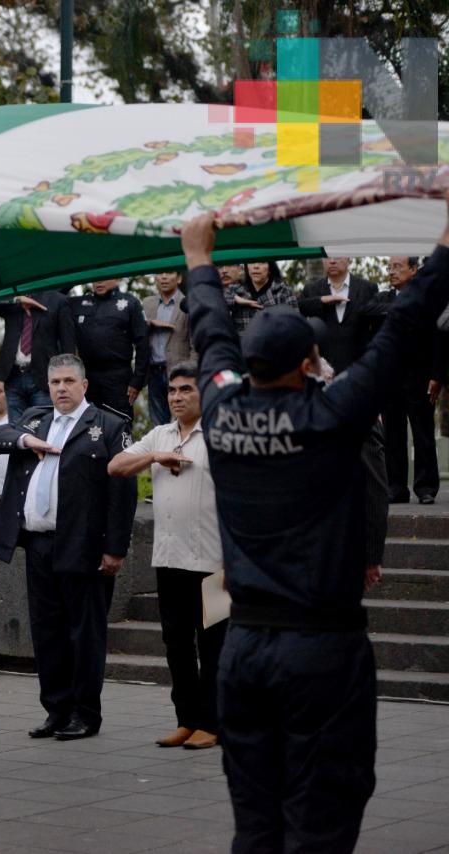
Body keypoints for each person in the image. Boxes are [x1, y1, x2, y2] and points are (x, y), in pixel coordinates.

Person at [178, 201, 449, 854]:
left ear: (249, 367)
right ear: (308, 364)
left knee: (257, 822)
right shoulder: (332, 415)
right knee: (320, 821)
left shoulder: (218, 407)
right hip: (321, 652)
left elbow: (212, 332)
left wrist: (198, 256)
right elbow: (403, 330)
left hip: (243, 652)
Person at [0, 354, 136, 742]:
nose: (61, 389)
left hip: (84, 547)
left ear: (85, 385)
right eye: (55, 383)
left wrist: (115, 548)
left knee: (84, 634)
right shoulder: (35, 419)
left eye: (68, 381)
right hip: (38, 544)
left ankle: (85, 713)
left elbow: (122, 493)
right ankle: (57, 709)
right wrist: (24, 439)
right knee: (46, 631)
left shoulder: (109, 425)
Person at [108, 361, 224, 750]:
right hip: (170, 560)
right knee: (176, 644)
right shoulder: (159, 435)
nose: (176, 397)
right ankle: (186, 720)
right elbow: (116, 465)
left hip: (216, 563)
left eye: (185, 390)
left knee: (214, 647)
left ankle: (213, 722)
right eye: (172, 390)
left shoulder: (221, 436)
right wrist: (156, 457)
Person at [371, 256, 445, 504]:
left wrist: (438, 375)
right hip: (390, 378)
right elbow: (363, 312)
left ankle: (425, 488)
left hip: (421, 377)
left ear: (413, 270)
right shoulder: (383, 299)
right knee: (393, 435)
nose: (392, 272)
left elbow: (438, 340)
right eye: (389, 267)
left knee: (423, 433)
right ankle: (396, 487)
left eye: (397, 267)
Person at [0, 292, 77, 422]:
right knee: (17, 431)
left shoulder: (57, 300)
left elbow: (68, 346)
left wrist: (67, 379)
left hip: (43, 378)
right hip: (13, 376)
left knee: (42, 428)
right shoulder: (13, 299)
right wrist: (16, 299)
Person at [69, 279, 149, 416]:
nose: (98, 281)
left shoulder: (130, 302)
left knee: (119, 424)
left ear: (117, 278)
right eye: (94, 277)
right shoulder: (79, 303)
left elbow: (143, 343)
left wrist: (137, 381)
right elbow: (55, 294)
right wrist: (80, 275)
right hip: (87, 378)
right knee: (90, 427)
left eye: (104, 277)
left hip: (118, 379)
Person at [299, 256, 380, 373]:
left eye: (337, 257)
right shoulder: (311, 290)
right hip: (323, 370)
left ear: (348, 258)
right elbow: (300, 308)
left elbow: (376, 328)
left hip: (359, 368)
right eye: (327, 258)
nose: (332, 261)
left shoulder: (367, 288)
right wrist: (322, 300)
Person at [142, 271, 196, 426]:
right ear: (155, 278)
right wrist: (151, 323)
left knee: (182, 419)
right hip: (153, 372)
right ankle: (161, 450)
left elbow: (195, 344)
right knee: (158, 424)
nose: (164, 277)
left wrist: (191, 371)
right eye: (159, 273)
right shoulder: (148, 303)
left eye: (169, 273)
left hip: (179, 370)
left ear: (179, 278)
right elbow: (136, 330)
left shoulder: (187, 303)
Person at [227, 261, 297, 335]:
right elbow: (217, 301)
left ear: (270, 267)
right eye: (252, 262)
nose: (256, 266)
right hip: (243, 345)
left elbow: (295, 325)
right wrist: (236, 299)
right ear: (247, 267)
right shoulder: (235, 290)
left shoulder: (283, 291)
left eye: (262, 262)